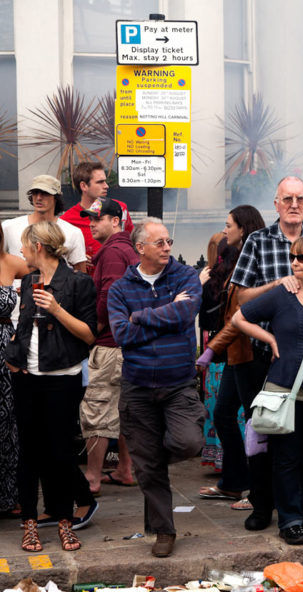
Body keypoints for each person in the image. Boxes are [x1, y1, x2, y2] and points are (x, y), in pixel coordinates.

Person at [230, 176, 303, 532]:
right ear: (276, 204)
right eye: (287, 199)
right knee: (267, 435)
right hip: (269, 358)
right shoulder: (258, 240)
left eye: (300, 198)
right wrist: (277, 284)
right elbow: (241, 298)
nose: (294, 204)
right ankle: (265, 507)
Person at [107, 218, 204, 558]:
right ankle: (164, 531)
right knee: (146, 467)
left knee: (189, 442)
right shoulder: (120, 289)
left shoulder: (185, 276)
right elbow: (122, 335)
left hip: (178, 384)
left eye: (168, 241)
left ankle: (152, 460)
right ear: (140, 248)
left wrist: (142, 316)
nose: (167, 247)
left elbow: (186, 313)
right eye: (159, 242)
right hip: (138, 387)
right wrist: (166, 314)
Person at [7, 221, 96, 553]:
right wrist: (13, 359)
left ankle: (64, 520)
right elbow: (21, 325)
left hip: (63, 379)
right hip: (26, 378)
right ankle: (29, 522)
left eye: (25, 246)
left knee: (60, 452)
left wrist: (57, 309)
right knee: (28, 453)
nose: (21, 251)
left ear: (39, 247)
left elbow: (89, 334)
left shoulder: (77, 284)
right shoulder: (28, 281)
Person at [196, 206, 266, 505]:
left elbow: (241, 313)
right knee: (224, 414)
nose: (225, 231)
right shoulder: (233, 260)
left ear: (243, 228)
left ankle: (260, 490)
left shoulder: (251, 261)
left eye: (229, 226)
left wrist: (212, 348)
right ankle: (235, 481)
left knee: (255, 421)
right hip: (234, 352)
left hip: (250, 351)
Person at [79, 198, 138, 495]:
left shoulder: (114, 252)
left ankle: (92, 476)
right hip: (128, 346)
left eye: (97, 218)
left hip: (110, 345)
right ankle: (125, 469)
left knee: (98, 408)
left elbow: (108, 297)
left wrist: (94, 331)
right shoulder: (127, 249)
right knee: (124, 409)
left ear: (115, 221)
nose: (91, 224)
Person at [197, 235, 235, 472]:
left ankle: (221, 458)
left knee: (218, 406)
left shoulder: (210, 280)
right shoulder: (227, 279)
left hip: (215, 348)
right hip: (227, 350)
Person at [3, 175, 87, 272]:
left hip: (56, 285)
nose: (39, 198)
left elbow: (81, 275)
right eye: (35, 193)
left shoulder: (72, 232)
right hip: (17, 285)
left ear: (56, 197)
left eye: (45, 193)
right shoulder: (9, 227)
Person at [61, 161, 134, 273]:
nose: (106, 186)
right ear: (84, 186)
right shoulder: (67, 220)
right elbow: (59, 257)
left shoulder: (120, 208)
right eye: (100, 182)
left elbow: (132, 240)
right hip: (88, 284)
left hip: (120, 279)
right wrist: (77, 259)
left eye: (105, 181)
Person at [0, 227, 27, 516]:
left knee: (7, 423)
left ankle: (9, 497)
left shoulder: (10, 262)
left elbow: (46, 271)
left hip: (4, 349)